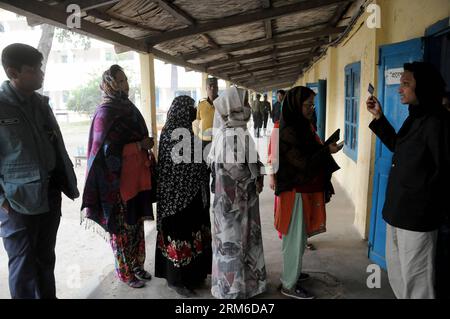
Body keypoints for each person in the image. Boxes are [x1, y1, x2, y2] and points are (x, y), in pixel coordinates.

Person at [0, 43, 79, 299]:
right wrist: (2, 201)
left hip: (48, 194)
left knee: (45, 258)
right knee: (23, 263)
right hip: (16, 202)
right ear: (13, 72)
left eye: (40, 68)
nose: (41, 74)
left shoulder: (41, 104)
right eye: (34, 69)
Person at [366, 62, 447, 299]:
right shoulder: (415, 118)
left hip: (418, 216)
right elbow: (399, 148)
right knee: (398, 275)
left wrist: (428, 204)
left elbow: (445, 170)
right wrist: (379, 117)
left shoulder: (438, 122)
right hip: (397, 211)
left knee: (418, 282)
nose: (399, 89)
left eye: (406, 84)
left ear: (423, 87)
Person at [81, 65, 155, 289]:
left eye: (125, 80)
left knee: (137, 224)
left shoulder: (129, 108)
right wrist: (138, 145)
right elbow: (107, 153)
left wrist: (144, 146)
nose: (125, 85)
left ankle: (137, 265)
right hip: (118, 183)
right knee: (122, 230)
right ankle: (125, 272)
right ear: (108, 84)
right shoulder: (105, 113)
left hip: (138, 179)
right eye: (119, 81)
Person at [275, 86, 342, 299]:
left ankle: (292, 273)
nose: (311, 109)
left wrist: (323, 147)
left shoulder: (302, 126)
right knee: (293, 239)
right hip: (293, 190)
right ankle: (289, 284)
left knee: (299, 236)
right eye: (307, 105)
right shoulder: (288, 131)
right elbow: (302, 163)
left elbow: (310, 151)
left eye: (313, 105)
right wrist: (325, 151)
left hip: (302, 189)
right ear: (295, 104)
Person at [208, 87, 267, 299]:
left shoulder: (238, 131)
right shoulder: (229, 136)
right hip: (233, 206)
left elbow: (252, 162)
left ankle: (249, 284)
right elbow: (238, 171)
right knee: (233, 243)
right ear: (234, 108)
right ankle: (233, 289)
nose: (249, 107)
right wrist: (256, 174)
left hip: (241, 203)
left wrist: (258, 171)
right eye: (245, 103)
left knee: (243, 242)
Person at [155, 96, 212, 297]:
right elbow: (182, 167)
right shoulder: (172, 134)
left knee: (192, 235)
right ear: (182, 111)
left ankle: (194, 275)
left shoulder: (188, 132)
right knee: (179, 237)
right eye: (190, 109)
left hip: (191, 197)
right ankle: (177, 280)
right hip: (175, 201)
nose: (193, 113)